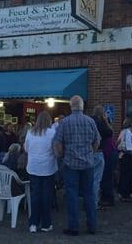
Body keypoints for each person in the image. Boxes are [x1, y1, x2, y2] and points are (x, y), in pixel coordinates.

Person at [53, 95, 100, 236]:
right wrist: (91, 152)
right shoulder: (90, 121)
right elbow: (97, 140)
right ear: (82, 106)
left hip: (70, 163)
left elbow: (57, 143)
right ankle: (92, 226)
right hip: (87, 163)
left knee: (72, 195)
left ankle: (73, 227)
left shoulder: (64, 122)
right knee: (89, 194)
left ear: (71, 106)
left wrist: (61, 155)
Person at [24, 111, 57, 233]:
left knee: (35, 196)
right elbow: (55, 149)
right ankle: (46, 224)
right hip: (48, 168)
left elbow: (26, 149)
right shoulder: (52, 133)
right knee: (46, 196)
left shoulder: (30, 132)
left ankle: (33, 223)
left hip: (33, 167)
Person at [87, 105, 112, 209]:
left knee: (88, 179)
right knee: (96, 179)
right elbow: (110, 133)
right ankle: (93, 203)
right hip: (98, 152)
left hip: (87, 153)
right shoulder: (100, 123)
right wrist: (106, 120)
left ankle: (87, 201)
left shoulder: (88, 121)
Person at [98, 108, 118, 207]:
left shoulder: (103, 126)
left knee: (106, 176)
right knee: (107, 176)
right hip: (111, 152)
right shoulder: (107, 126)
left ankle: (108, 198)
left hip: (108, 153)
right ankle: (107, 197)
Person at [117, 118, 132, 202]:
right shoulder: (128, 132)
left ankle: (121, 192)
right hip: (126, 155)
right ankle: (125, 194)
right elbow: (129, 146)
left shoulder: (122, 131)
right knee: (127, 175)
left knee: (123, 175)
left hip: (122, 155)